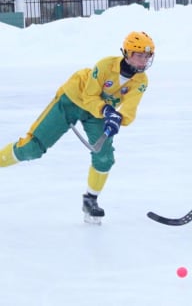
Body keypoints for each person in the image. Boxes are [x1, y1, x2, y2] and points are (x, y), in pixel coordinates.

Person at [0, 31, 155, 223]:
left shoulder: (141, 81)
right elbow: (89, 97)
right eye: (139, 55)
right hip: (72, 101)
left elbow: (130, 108)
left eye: (147, 56)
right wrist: (107, 111)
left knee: (104, 157)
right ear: (127, 53)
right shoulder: (105, 65)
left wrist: (119, 119)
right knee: (32, 149)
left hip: (97, 113)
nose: (143, 61)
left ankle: (90, 200)